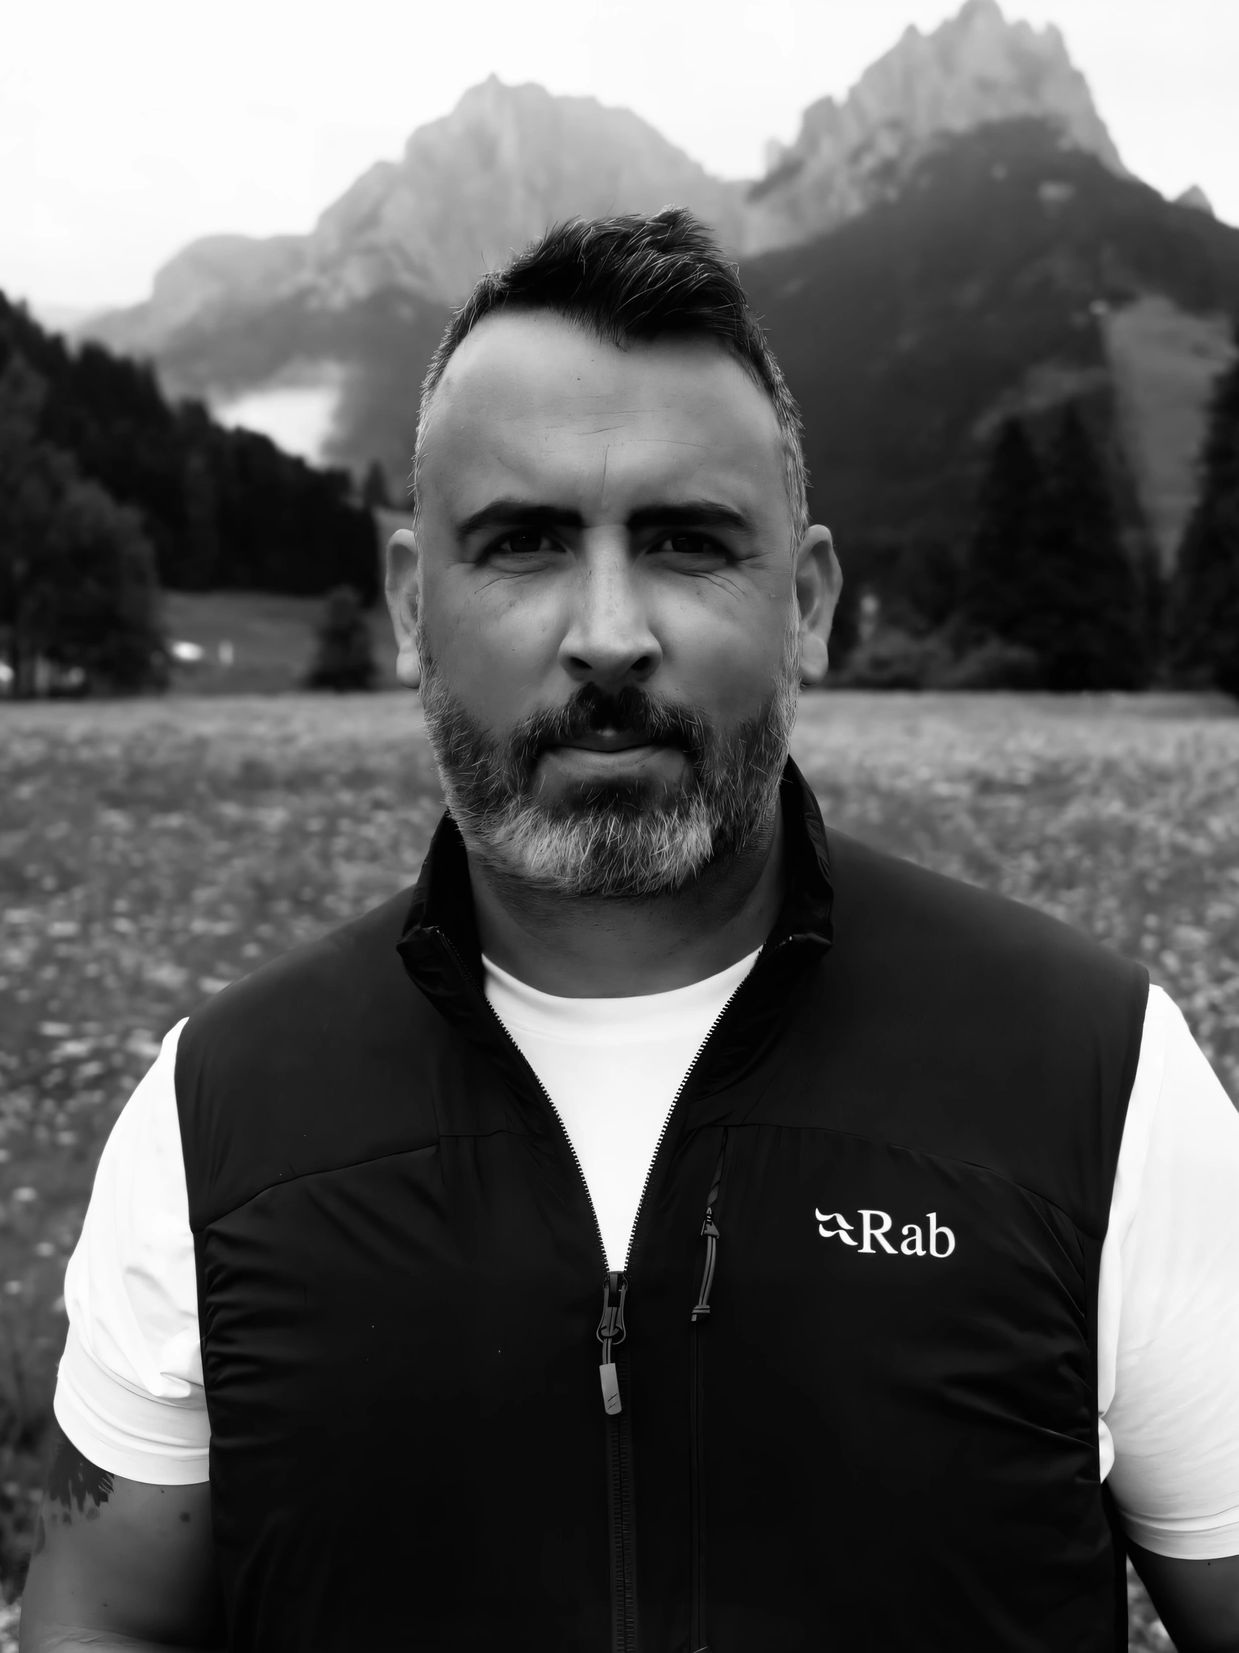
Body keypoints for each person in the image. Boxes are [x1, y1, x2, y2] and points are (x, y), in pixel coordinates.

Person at [18, 209, 1239, 1653]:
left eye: (685, 540)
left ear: (810, 604)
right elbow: (103, 1622)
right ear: (414, 605)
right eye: (524, 543)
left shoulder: (1098, 1081)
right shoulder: (209, 1117)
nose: (608, 632)